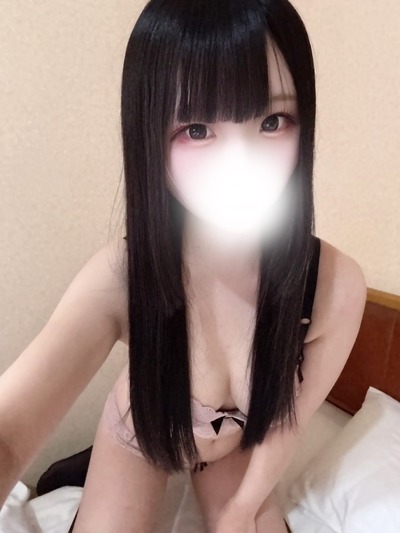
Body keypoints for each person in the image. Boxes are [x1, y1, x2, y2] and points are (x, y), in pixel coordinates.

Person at [0, 1, 367, 532]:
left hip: (233, 448)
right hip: (144, 431)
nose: (240, 167)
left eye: (272, 121)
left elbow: (285, 422)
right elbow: (10, 431)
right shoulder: (123, 277)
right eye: (196, 130)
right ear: (148, 135)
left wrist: (241, 510)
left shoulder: (333, 287)